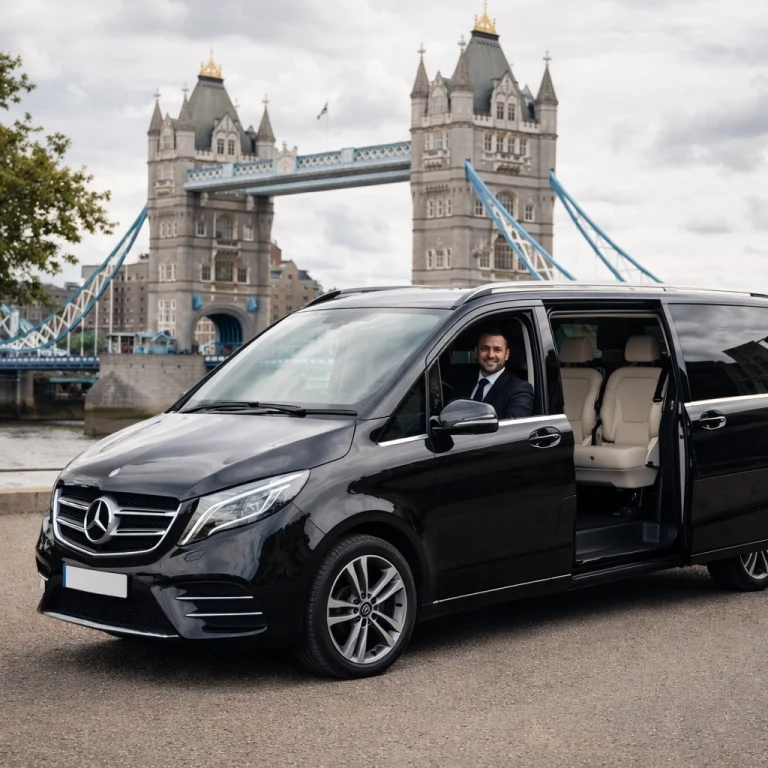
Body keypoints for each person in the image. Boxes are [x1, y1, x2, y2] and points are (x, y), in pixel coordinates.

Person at [463, 329, 534, 419]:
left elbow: (513, 429)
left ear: (506, 354)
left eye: (497, 350)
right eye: (485, 349)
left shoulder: (519, 389)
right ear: (476, 352)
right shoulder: (463, 382)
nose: (491, 355)